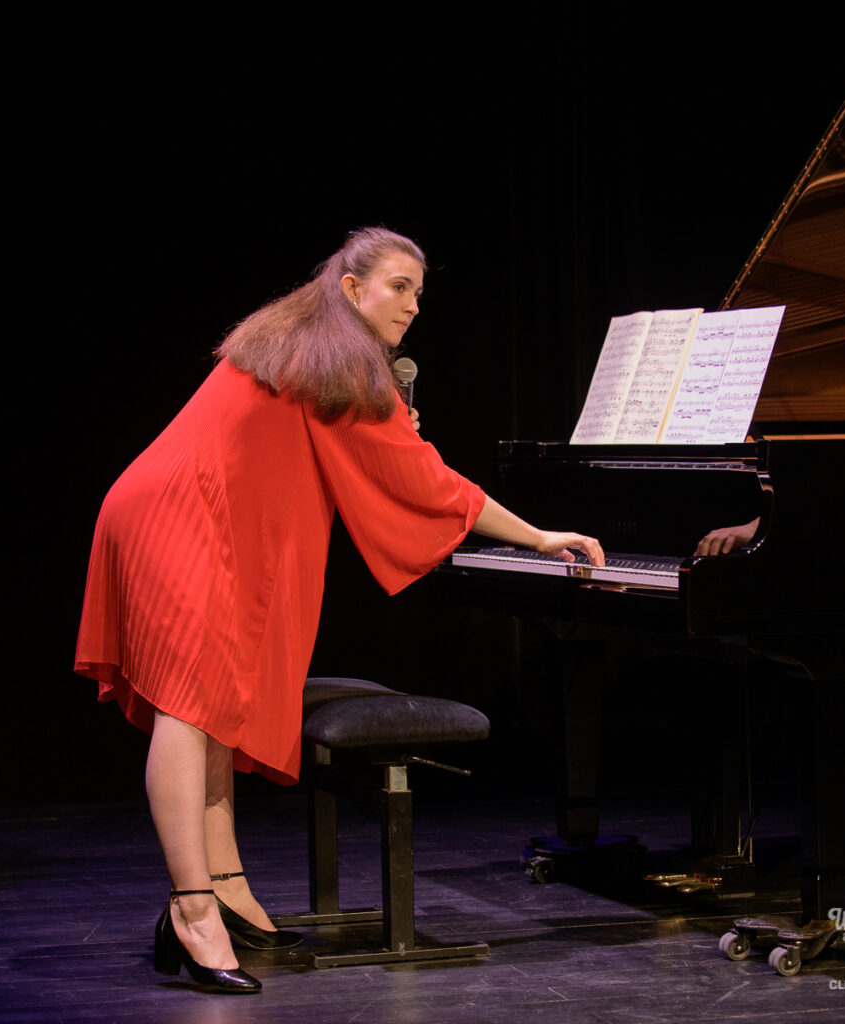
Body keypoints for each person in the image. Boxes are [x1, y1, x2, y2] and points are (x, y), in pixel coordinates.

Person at [74, 227, 603, 993]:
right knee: (187, 711)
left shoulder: (305, 341)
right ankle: (191, 911)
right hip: (184, 520)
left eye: (420, 293)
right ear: (351, 288)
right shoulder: (336, 358)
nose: (413, 306)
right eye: (399, 286)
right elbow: (429, 483)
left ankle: (227, 891)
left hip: (180, 510)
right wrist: (539, 536)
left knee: (212, 709)